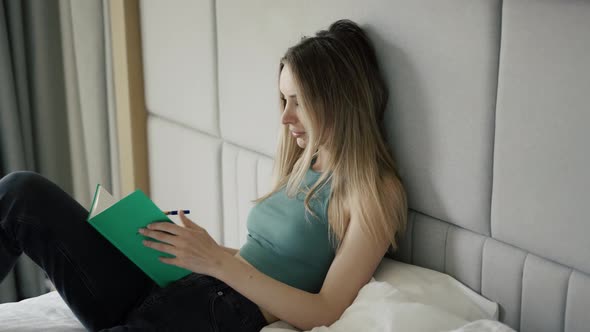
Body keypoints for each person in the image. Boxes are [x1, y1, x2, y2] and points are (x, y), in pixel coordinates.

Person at [0, 19, 407, 332]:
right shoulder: (303, 160)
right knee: (21, 193)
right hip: (180, 287)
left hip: (221, 314)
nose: (285, 118)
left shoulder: (375, 191)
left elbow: (326, 311)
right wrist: (187, 249)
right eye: (284, 100)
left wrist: (216, 262)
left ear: (340, 101)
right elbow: (263, 258)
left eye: (299, 102)